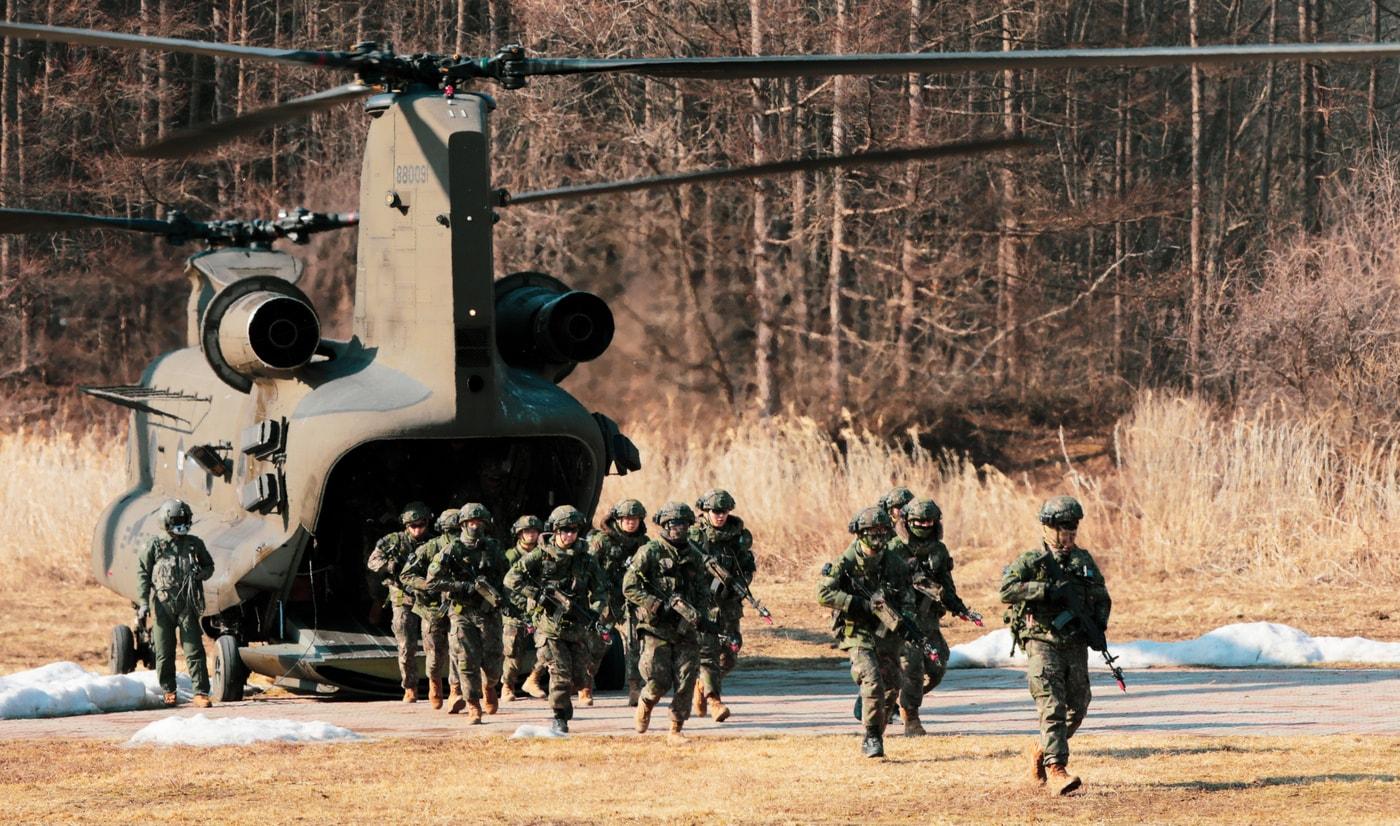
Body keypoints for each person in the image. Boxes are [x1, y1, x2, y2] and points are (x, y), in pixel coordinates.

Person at [1000, 495, 1112, 796]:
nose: (1068, 537)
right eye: (1063, 531)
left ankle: (1040, 750)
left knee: (1079, 705)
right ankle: (1057, 769)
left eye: (1073, 531)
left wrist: (1097, 627)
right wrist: (1045, 591)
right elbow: (1007, 590)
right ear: (1047, 528)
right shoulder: (1030, 560)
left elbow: (1101, 596)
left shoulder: (1082, 560)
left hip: (1074, 641)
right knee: (1052, 705)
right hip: (1041, 640)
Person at [818, 505, 914, 758]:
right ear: (860, 534)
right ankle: (872, 737)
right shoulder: (845, 562)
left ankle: (874, 720)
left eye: (883, 531)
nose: (878, 537)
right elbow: (824, 593)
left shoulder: (895, 563)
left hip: (886, 631)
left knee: (893, 682)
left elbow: (907, 597)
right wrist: (858, 604)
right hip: (857, 629)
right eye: (872, 532)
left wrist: (906, 619)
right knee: (872, 680)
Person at [504, 505, 608, 735]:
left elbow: (601, 591)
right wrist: (537, 595)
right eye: (564, 530)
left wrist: (595, 610)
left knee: (580, 676)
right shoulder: (541, 554)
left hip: (576, 625)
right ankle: (560, 717)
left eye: (573, 530)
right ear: (556, 531)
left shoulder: (586, 559)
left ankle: (563, 707)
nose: (569, 534)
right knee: (560, 673)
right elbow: (512, 579)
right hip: (548, 625)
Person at [622, 501, 713, 744]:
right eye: (672, 524)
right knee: (659, 680)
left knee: (686, 679)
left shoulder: (694, 556)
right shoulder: (650, 552)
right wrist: (655, 604)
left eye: (683, 524)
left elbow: (703, 591)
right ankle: (646, 702)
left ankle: (675, 728)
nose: (678, 529)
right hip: (656, 627)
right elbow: (629, 586)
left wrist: (700, 616)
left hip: (685, 629)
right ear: (664, 525)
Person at [889, 497, 967, 737]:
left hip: (928, 619)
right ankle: (911, 716)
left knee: (938, 664)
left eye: (928, 522)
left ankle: (898, 697)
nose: (923, 526)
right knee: (912, 666)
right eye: (918, 521)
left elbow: (947, 584)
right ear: (907, 521)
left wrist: (959, 607)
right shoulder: (893, 548)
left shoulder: (939, 550)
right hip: (902, 620)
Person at [425, 503, 508, 723]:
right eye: (472, 522)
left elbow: (506, 578)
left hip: (489, 612)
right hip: (462, 612)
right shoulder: (452, 550)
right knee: (466, 661)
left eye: (480, 522)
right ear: (463, 524)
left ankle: (490, 685)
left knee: (494, 661)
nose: (475, 526)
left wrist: (502, 599)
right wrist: (462, 586)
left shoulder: (494, 548)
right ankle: (473, 705)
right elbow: (432, 583)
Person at [136, 498, 216, 708]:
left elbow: (209, 566)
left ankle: (200, 692)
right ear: (166, 521)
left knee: (194, 650)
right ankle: (168, 690)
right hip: (163, 606)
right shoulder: (154, 545)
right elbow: (143, 573)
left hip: (187, 605)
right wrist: (143, 602)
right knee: (164, 651)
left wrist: (201, 573)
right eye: (176, 520)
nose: (181, 523)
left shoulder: (195, 544)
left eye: (184, 519)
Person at [688, 489, 754, 722]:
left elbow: (748, 567)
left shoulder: (738, 537)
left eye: (724, 511)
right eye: (715, 511)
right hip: (704, 606)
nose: (720, 516)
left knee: (729, 656)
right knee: (707, 655)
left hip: (729, 606)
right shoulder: (694, 536)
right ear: (705, 512)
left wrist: (739, 583)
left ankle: (700, 685)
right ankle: (715, 701)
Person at [366, 501, 433, 703]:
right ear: (405, 525)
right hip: (403, 599)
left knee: (434, 645)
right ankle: (410, 687)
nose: (417, 530)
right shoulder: (393, 541)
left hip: (427, 600)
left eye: (421, 525)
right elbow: (372, 561)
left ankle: (434, 685)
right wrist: (390, 566)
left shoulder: (433, 543)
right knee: (406, 645)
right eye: (413, 526)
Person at [586, 498, 650, 706]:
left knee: (634, 643)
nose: (631, 523)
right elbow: (588, 568)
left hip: (633, 598)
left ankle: (634, 687)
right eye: (626, 519)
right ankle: (586, 683)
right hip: (608, 598)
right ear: (618, 519)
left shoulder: (644, 543)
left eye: (635, 519)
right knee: (598, 642)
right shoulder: (602, 541)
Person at [397, 508, 457, 710]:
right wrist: (429, 585)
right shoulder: (431, 547)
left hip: (459, 606)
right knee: (435, 655)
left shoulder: (471, 548)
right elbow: (406, 575)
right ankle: (434, 683)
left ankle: (456, 690)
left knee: (460, 649)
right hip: (432, 608)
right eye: (452, 530)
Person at [501, 515, 543, 702]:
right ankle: (507, 686)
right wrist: (525, 605)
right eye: (527, 532)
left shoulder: (544, 554)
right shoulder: (510, 557)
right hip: (515, 610)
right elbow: (507, 586)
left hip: (540, 610)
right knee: (513, 653)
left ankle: (533, 679)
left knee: (547, 648)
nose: (531, 535)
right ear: (519, 534)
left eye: (534, 531)